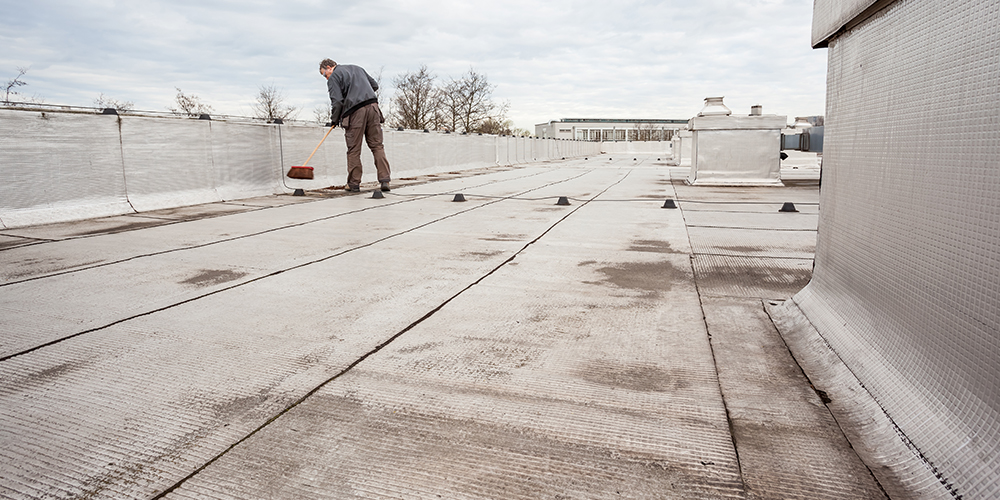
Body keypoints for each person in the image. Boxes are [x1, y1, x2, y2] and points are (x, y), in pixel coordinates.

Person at [319, 58, 391, 192]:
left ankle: (353, 184)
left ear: (329, 67)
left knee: (354, 149)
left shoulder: (334, 76)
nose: (326, 78)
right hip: (373, 108)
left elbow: (337, 101)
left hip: (355, 113)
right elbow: (374, 86)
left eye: (325, 75)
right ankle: (385, 180)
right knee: (377, 146)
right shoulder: (358, 68)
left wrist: (334, 119)